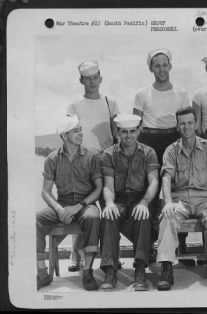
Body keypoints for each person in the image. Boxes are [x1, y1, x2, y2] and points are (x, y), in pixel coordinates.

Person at [156, 106, 207, 291]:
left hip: (203, 199)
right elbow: (166, 177)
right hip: (180, 200)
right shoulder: (171, 150)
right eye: (182, 124)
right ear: (177, 126)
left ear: (196, 124)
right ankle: (166, 267)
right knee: (168, 216)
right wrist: (168, 201)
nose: (186, 127)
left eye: (189, 123)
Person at [133, 49, 191, 258]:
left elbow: (186, 123)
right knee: (148, 191)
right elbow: (136, 126)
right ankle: (147, 247)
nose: (161, 69)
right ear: (150, 68)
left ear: (170, 66)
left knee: (177, 190)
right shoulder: (141, 94)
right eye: (156, 65)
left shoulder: (182, 93)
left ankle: (179, 247)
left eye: (164, 64)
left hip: (174, 141)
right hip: (149, 142)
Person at [36, 115, 102, 290]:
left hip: (85, 205)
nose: (81, 133)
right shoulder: (52, 159)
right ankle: (42, 273)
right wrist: (59, 209)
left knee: (93, 216)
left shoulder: (92, 156)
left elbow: (98, 188)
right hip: (62, 205)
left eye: (81, 129)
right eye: (76, 130)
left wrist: (78, 206)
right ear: (64, 136)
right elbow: (45, 191)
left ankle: (87, 272)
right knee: (36, 219)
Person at [66, 60, 120, 272]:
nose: (91, 82)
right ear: (81, 80)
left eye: (95, 77)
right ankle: (75, 256)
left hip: (105, 159)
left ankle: (110, 257)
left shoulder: (110, 102)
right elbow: (70, 134)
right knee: (81, 206)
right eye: (87, 78)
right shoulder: (74, 105)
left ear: (100, 78)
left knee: (109, 209)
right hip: (82, 160)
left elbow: (117, 134)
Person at [99, 114, 159, 291]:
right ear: (117, 132)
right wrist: (109, 203)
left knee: (143, 217)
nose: (129, 136)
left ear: (139, 131)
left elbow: (154, 181)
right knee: (109, 217)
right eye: (124, 132)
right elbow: (108, 186)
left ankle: (140, 269)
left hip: (141, 197)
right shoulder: (109, 154)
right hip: (119, 199)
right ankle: (110, 271)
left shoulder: (149, 152)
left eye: (133, 131)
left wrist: (145, 202)